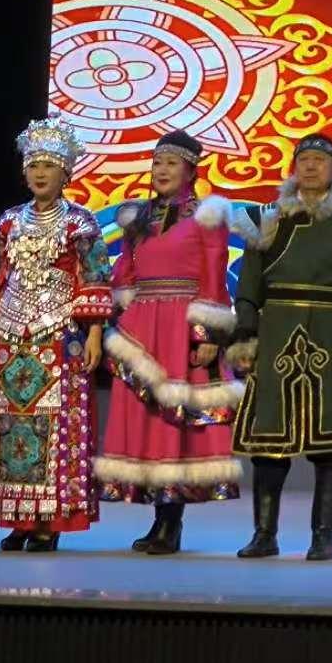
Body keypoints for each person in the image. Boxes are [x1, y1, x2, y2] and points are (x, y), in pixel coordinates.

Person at [227, 133, 332, 561]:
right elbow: (249, 284)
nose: (311, 166)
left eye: (320, 160)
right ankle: (264, 535)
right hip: (276, 332)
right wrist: (245, 327)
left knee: (331, 446)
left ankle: (323, 537)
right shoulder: (266, 218)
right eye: (305, 159)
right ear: (294, 166)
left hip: (330, 334)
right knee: (269, 445)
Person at [0, 116, 112, 551]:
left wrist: (95, 334)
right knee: (9, 427)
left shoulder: (81, 223)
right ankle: (18, 519)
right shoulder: (8, 222)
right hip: (8, 334)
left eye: (48, 166)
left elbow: (94, 277)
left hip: (59, 333)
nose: (40, 173)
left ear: (65, 173)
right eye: (33, 166)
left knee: (58, 427)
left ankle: (49, 521)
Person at [94, 130, 243, 555]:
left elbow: (214, 275)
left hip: (180, 324)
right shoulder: (137, 219)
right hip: (142, 327)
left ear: (190, 170)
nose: (161, 171)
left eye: (171, 164)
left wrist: (207, 333)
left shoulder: (206, 216)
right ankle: (156, 517)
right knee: (145, 420)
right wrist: (117, 320)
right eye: (157, 163)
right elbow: (125, 272)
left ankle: (171, 522)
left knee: (173, 422)